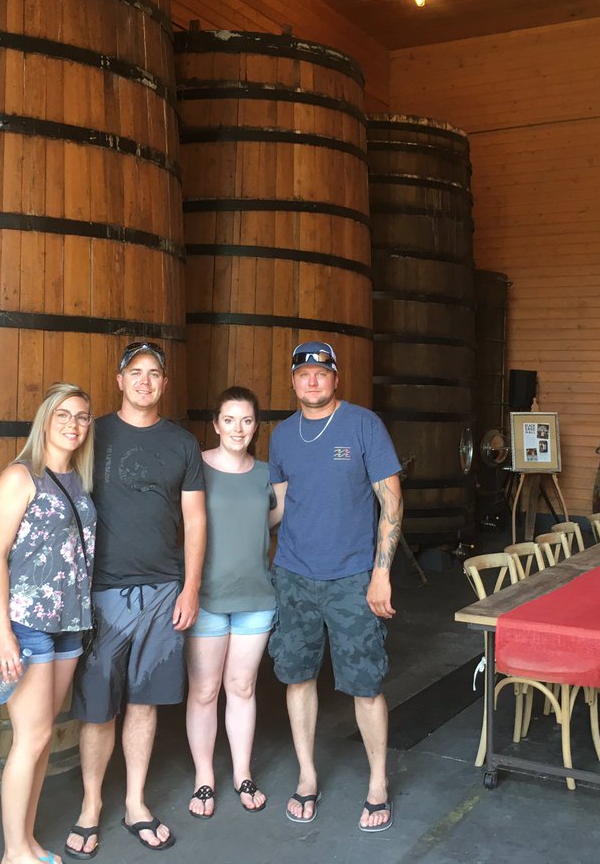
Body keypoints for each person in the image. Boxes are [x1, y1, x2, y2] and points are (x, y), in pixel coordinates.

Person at [66, 341, 206, 857]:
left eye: (154, 373)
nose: (144, 380)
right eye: (135, 372)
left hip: (165, 590)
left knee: (145, 703)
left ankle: (136, 803)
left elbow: (195, 520)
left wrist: (190, 586)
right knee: (99, 708)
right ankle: (90, 806)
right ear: (120, 380)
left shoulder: (182, 444)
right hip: (103, 591)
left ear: (164, 385)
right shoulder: (91, 434)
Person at [268, 340, 402, 833]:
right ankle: (306, 776)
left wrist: (381, 573)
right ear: (293, 379)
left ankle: (378, 784)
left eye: (321, 372)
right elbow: (280, 508)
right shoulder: (281, 436)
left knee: (365, 684)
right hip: (294, 575)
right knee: (297, 677)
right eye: (303, 372)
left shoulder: (364, 425)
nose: (312, 380)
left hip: (352, 579)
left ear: (335, 378)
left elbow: (391, 503)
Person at [0, 382, 96, 864]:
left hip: (69, 621)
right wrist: (4, 633)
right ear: (45, 420)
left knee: (44, 734)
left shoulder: (78, 479)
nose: (73, 424)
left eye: (83, 417)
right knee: (29, 737)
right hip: (27, 623)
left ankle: (28, 841)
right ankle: (14, 853)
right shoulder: (20, 477)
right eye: (64, 415)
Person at [185, 387, 282, 819]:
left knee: (242, 688)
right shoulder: (196, 469)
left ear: (255, 426)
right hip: (205, 597)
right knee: (204, 691)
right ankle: (204, 778)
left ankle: (242, 773)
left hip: (256, 597)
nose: (238, 429)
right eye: (229, 420)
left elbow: (273, 519)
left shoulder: (267, 473)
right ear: (216, 423)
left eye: (246, 421)